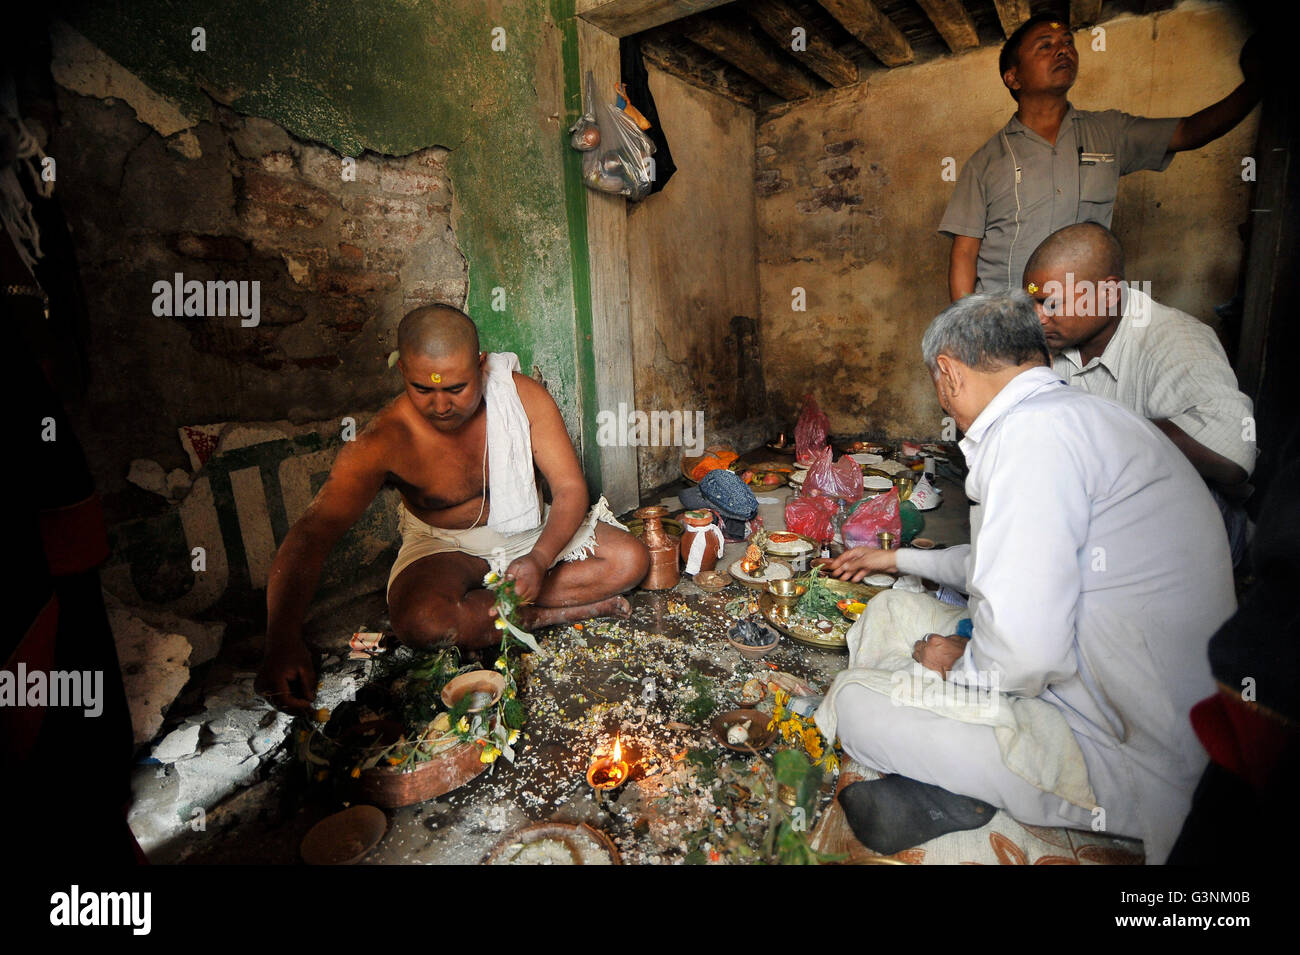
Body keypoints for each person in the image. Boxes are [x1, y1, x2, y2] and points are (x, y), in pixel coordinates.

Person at [822, 291, 1234, 863]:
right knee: (892, 607)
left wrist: (958, 664)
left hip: (1124, 753)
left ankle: (969, 778)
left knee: (853, 705)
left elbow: (1026, 654)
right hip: (1119, 695)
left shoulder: (1028, 438)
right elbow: (1006, 565)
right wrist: (897, 561)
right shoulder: (1079, 416)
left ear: (947, 374)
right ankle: (949, 753)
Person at [256, 304, 649, 717]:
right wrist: (281, 639)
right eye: (423, 389)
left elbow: (569, 488)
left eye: (456, 387)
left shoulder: (521, 398)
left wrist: (538, 558)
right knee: (423, 622)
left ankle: (493, 613)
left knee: (629, 559)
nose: (441, 405)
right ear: (402, 372)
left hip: (527, 534)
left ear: (481, 365)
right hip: (445, 546)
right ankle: (553, 612)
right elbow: (315, 531)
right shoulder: (385, 438)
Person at [939, 13, 1261, 300]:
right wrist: (970, 333)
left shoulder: (1109, 132)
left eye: (1068, 42)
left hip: (1081, 320)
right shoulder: (985, 163)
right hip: (1006, 321)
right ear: (1014, 78)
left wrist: (1256, 88)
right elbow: (964, 255)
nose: (1063, 49)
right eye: (1045, 45)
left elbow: (1189, 131)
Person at [1023, 221, 1256, 564]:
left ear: (1107, 294)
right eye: (1032, 302)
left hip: (1191, 533)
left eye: (1051, 303)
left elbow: (1235, 457)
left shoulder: (1177, 341)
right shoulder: (1050, 340)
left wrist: (1096, 427)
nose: (1037, 316)